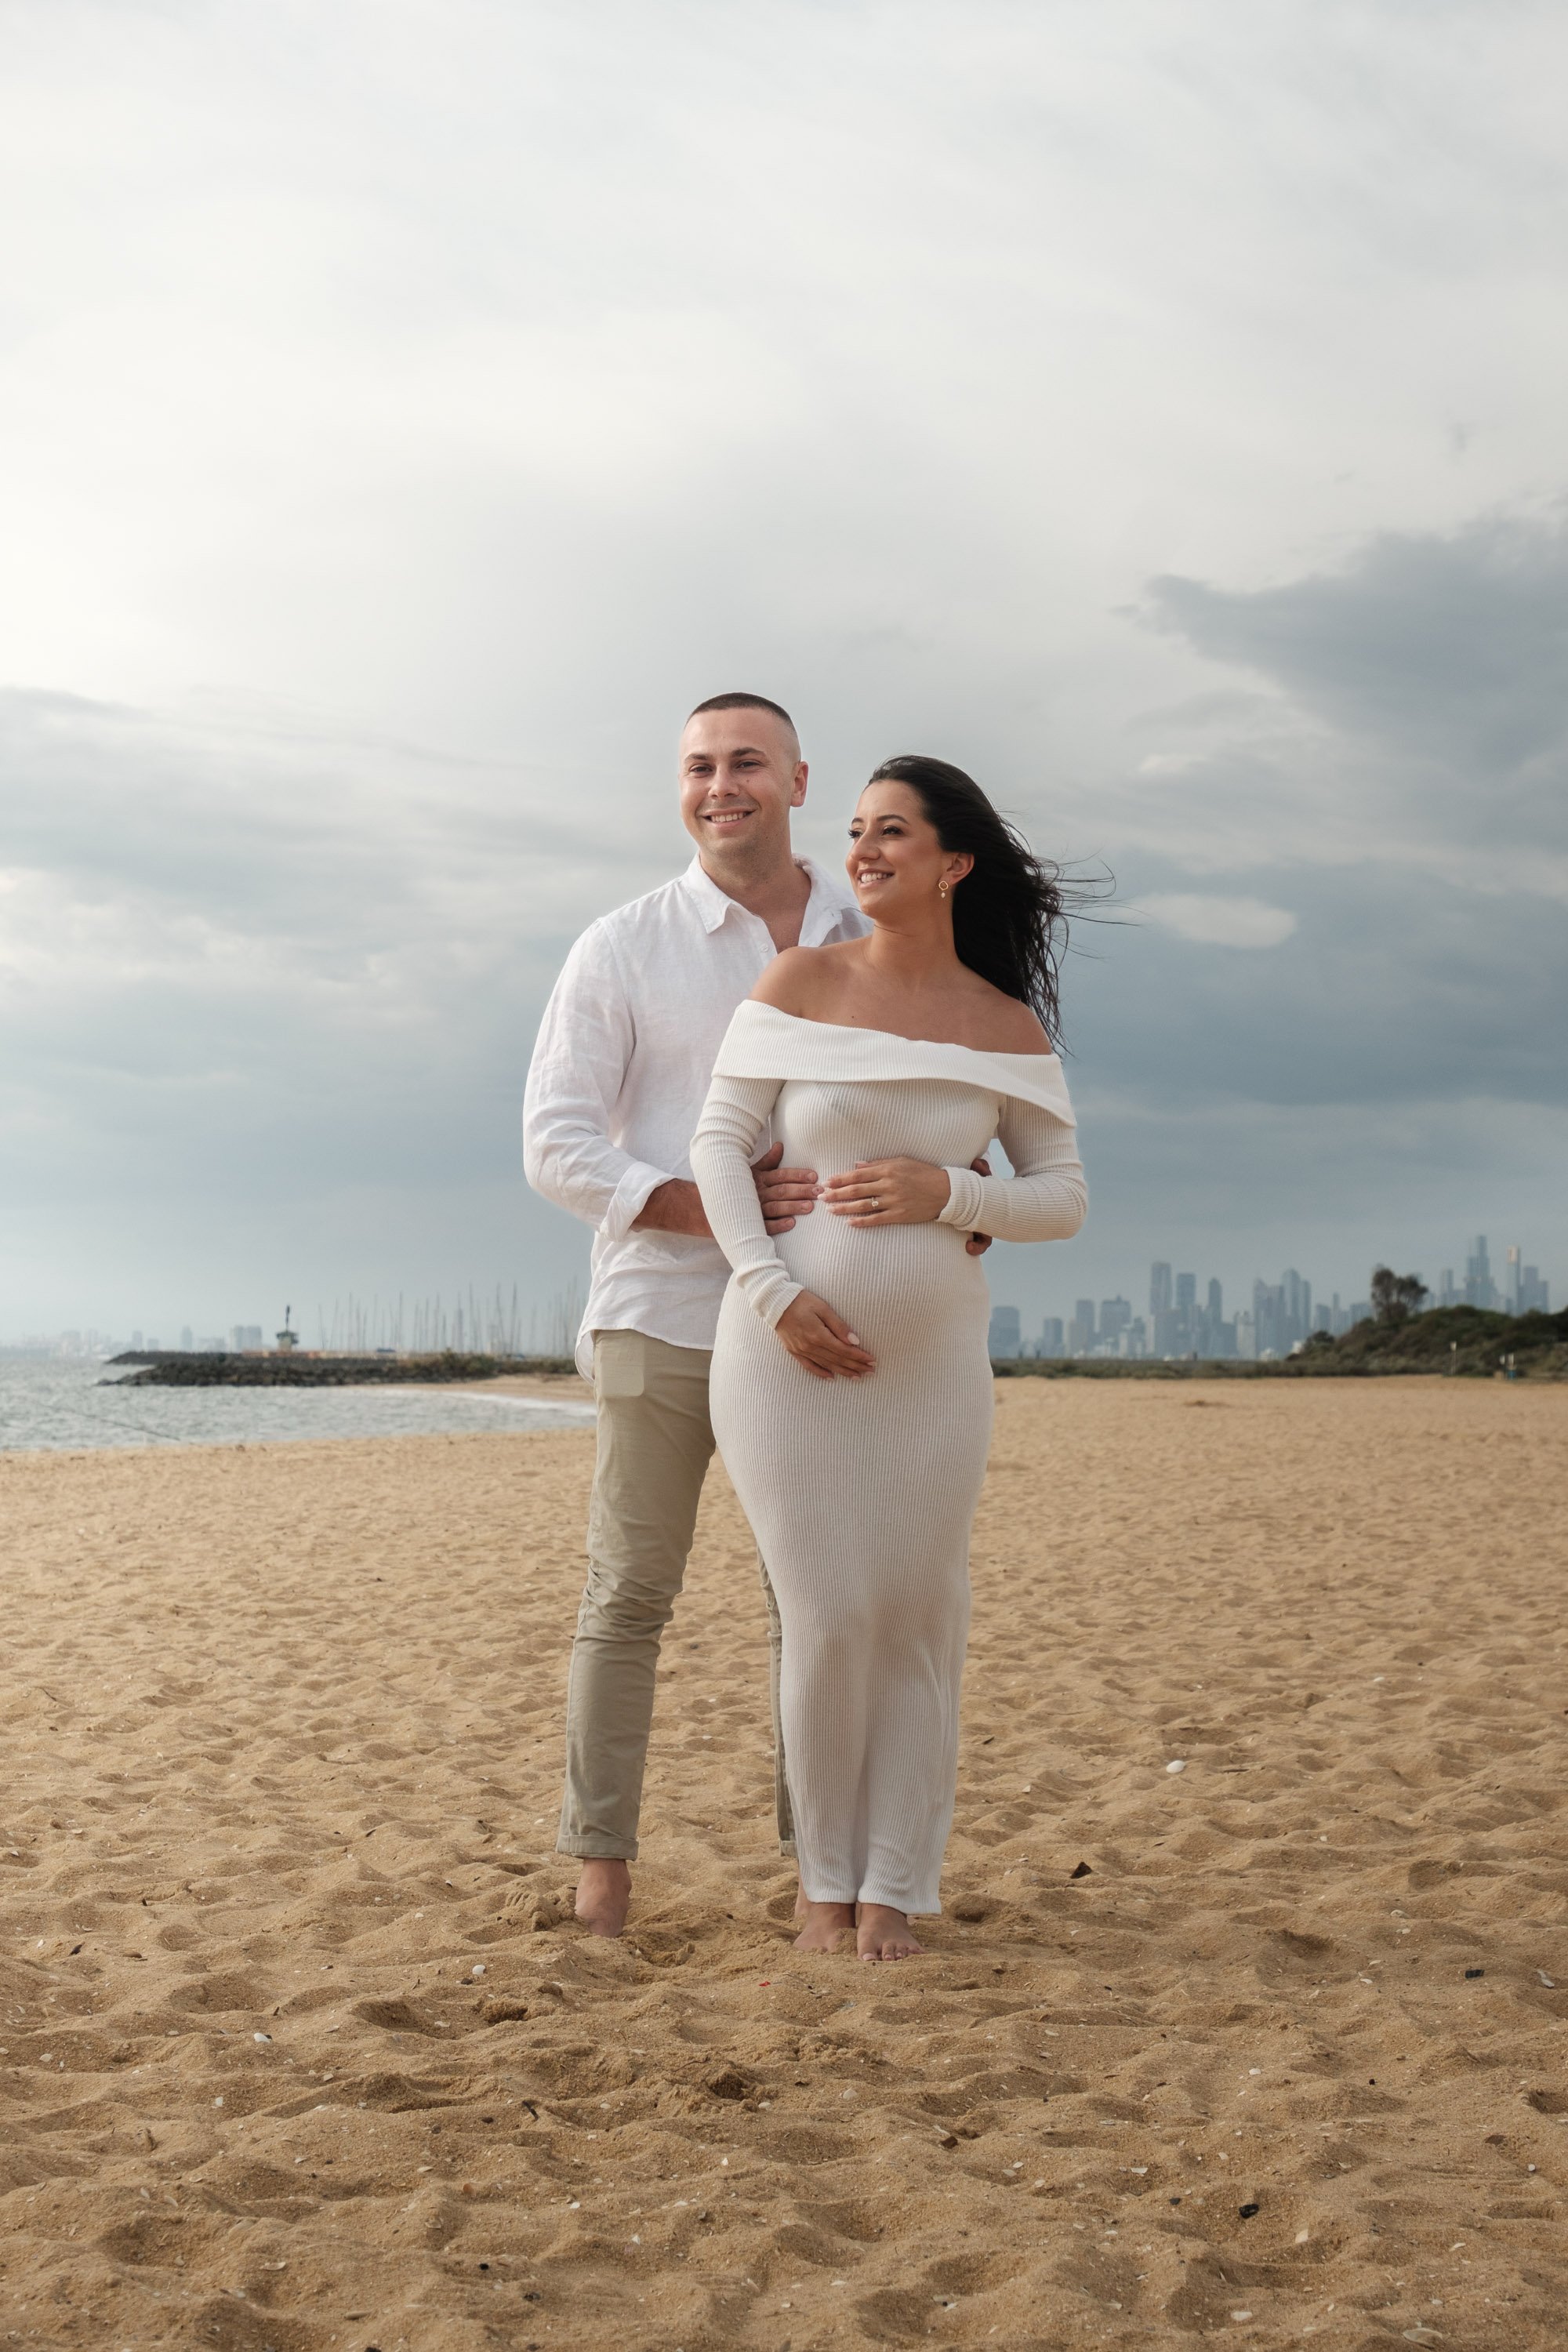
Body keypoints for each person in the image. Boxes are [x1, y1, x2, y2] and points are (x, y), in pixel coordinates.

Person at [689, 755, 1087, 1962]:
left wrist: (947, 1188)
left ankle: (897, 1892)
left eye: (892, 834)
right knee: (828, 1612)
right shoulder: (801, 980)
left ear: (955, 862)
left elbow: (1061, 1198)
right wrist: (770, 1293)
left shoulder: (1003, 1025)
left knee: (919, 1618)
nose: (861, 852)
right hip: (785, 1359)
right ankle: (823, 1886)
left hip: (935, 1375)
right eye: (856, 831)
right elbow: (719, 1147)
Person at [523, 693, 877, 1937]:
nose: (718, 785)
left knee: (820, 1605)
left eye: (744, 764)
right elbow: (554, 1145)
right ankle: (600, 1879)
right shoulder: (622, 945)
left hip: (827, 1315)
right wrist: (704, 1207)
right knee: (628, 1597)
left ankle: (821, 1876)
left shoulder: (876, 928)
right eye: (696, 766)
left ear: (796, 781)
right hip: (660, 1315)